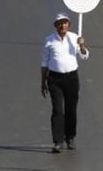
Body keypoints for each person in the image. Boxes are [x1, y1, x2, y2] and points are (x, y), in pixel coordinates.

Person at [41, 13, 89, 154]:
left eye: (65, 23)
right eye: (60, 23)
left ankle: (70, 137)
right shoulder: (49, 41)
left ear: (69, 25)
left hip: (71, 79)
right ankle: (57, 141)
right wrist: (42, 82)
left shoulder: (74, 38)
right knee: (57, 110)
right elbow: (44, 63)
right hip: (54, 79)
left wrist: (82, 46)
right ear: (56, 26)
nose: (63, 26)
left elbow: (85, 55)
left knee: (71, 109)